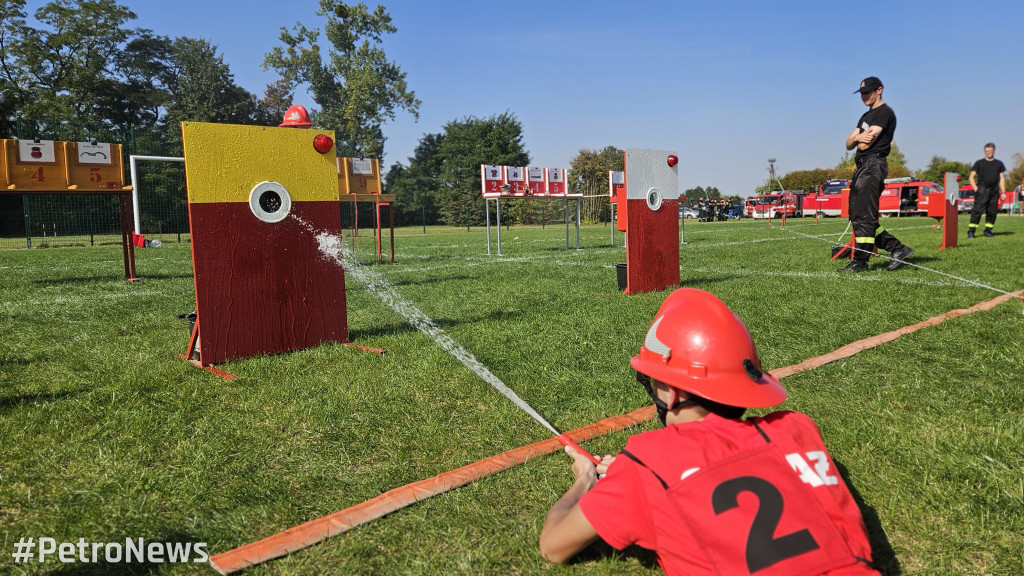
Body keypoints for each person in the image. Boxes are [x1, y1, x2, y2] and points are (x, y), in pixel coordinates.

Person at [539, 288, 880, 575]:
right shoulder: (795, 430)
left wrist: (586, 478)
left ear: (671, 394)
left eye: (652, 382)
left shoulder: (647, 464)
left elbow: (553, 546)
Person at [840, 77, 913, 272]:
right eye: (862, 93)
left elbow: (863, 144)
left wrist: (856, 138)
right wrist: (856, 138)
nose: (863, 96)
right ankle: (897, 248)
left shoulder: (884, 113)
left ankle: (860, 261)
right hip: (861, 167)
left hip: (873, 165)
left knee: (865, 215)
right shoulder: (865, 117)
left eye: (868, 92)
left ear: (879, 90)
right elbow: (848, 143)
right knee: (856, 214)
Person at [967, 143, 1006, 238]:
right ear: (984, 151)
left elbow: (1001, 178)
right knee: (977, 211)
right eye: (986, 151)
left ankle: (988, 231)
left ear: (994, 151)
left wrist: (1003, 192)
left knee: (992, 212)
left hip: (994, 190)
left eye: (990, 151)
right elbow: (971, 177)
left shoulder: (999, 164)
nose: (988, 152)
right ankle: (971, 231)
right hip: (982, 190)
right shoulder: (979, 163)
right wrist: (976, 189)